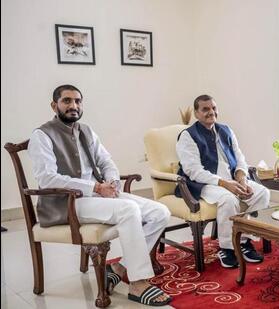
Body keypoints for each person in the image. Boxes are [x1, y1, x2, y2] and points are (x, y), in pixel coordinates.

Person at [28, 85, 172, 306]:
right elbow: (48, 179)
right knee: (129, 210)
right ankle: (138, 282)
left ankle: (118, 268)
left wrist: (112, 182)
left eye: (77, 101)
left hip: (96, 196)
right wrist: (95, 187)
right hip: (65, 203)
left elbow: (106, 161)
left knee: (159, 212)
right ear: (54, 105)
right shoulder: (42, 135)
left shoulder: (86, 130)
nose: (73, 106)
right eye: (67, 101)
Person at [175, 94, 270, 268]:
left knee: (262, 193)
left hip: (232, 180)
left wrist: (242, 177)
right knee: (228, 199)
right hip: (204, 184)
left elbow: (239, 156)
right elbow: (193, 171)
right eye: (205, 109)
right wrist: (224, 184)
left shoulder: (226, 130)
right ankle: (227, 247)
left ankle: (244, 241)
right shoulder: (188, 136)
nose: (211, 112)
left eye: (213, 108)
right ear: (196, 113)